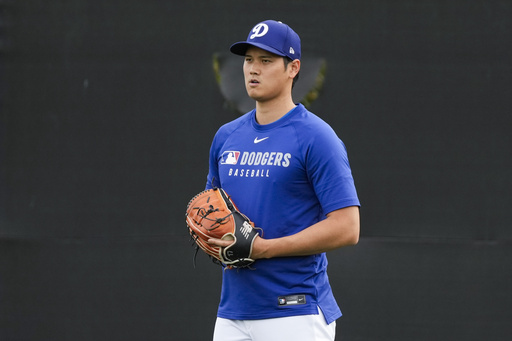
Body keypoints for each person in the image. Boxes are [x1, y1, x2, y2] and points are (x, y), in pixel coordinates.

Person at [205, 19, 360, 341]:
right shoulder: (227, 137)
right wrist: (210, 235)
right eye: (248, 59)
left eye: (266, 60)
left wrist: (265, 249)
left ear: (293, 68)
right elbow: (211, 211)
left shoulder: (316, 137)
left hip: (294, 310)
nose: (253, 69)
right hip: (233, 312)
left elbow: (347, 227)